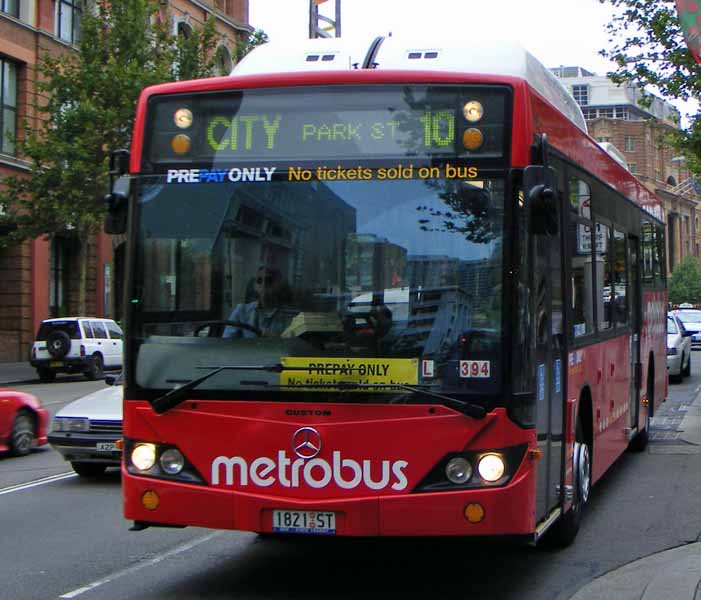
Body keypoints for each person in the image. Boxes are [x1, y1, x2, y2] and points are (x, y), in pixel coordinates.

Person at [223, 267, 294, 338]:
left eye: (269, 280)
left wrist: (277, 339)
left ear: (278, 285)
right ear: (255, 286)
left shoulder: (288, 315)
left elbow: (292, 345)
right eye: (259, 281)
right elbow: (226, 344)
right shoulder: (241, 311)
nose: (264, 284)